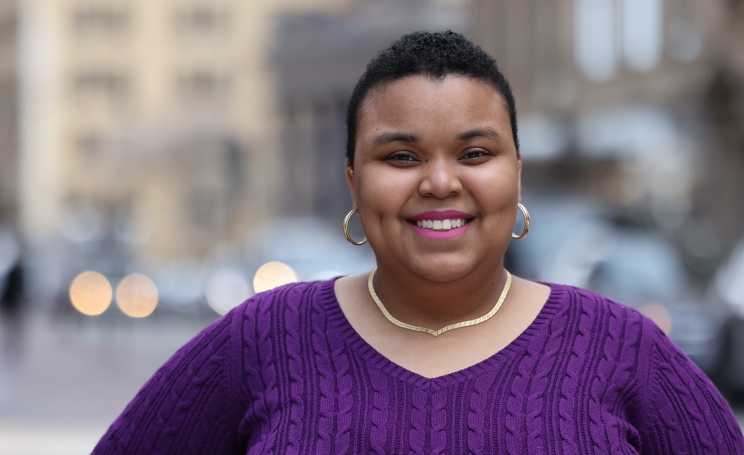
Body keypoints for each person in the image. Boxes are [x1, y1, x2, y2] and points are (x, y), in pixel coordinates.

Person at [91, 31, 744, 454]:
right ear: (354, 182)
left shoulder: (618, 346)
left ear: (516, 176)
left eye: (476, 152)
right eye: (400, 156)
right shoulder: (265, 338)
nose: (439, 182)